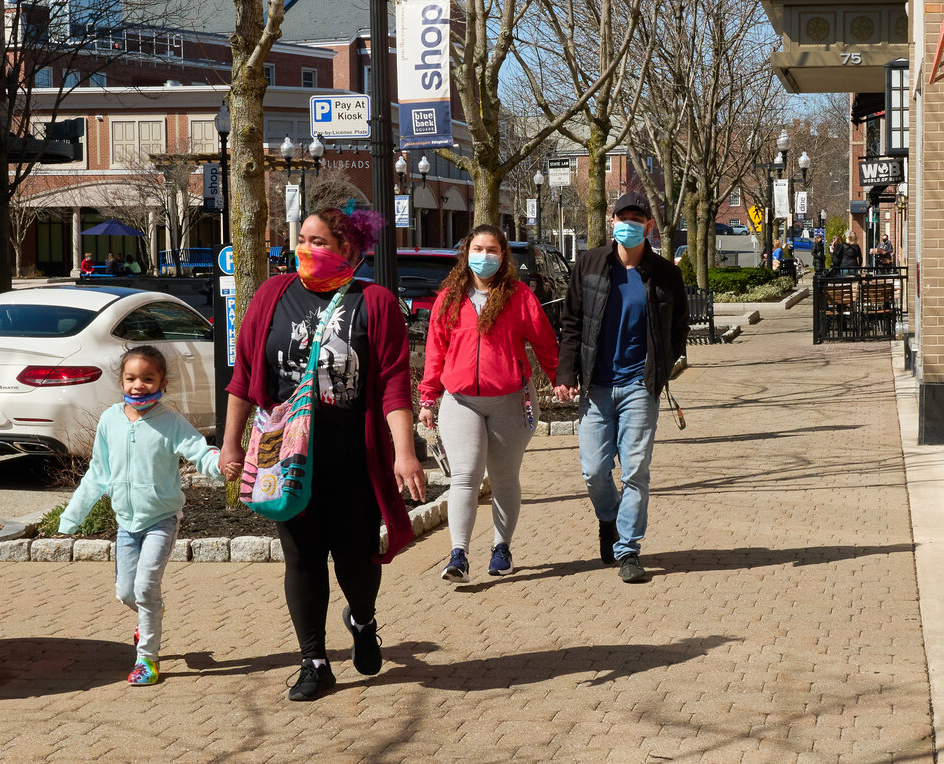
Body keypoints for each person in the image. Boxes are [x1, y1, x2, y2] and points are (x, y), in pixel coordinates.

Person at [220, 205, 424, 702]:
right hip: (286, 460)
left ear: (348, 249)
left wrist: (405, 452)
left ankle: (362, 618)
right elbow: (245, 376)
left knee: (357, 561)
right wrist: (230, 442)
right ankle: (314, 661)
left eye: (319, 242)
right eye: (303, 240)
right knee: (303, 559)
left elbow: (394, 385)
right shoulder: (272, 295)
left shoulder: (372, 303)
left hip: (351, 458)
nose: (306, 250)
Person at [57, 345, 223, 687]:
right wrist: (71, 518)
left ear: (163, 382)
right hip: (126, 524)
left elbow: (199, 452)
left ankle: (147, 658)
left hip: (161, 519)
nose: (139, 385)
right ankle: (150, 615)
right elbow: (97, 472)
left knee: (146, 589)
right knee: (127, 593)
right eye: (131, 378)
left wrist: (221, 466)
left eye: (148, 378)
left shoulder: (171, 423)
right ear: (121, 381)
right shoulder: (110, 421)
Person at [553, 194, 688, 584]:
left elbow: (678, 326)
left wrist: (664, 364)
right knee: (594, 470)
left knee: (635, 472)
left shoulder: (665, 274)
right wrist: (566, 373)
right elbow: (572, 322)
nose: (629, 223)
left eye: (637, 218)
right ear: (612, 222)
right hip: (597, 384)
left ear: (649, 226)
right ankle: (608, 519)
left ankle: (629, 549)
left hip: (638, 387)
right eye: (622, 217)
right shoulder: (590, 265)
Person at [418, 225, 560, 583]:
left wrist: (561, 380)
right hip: (460, 400)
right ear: (466, 253)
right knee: (464, 476)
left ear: (503, 255)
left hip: (511, 399)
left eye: (492, 249)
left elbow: (544, 342)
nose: (485, 256)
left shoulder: (519, 295)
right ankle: (459, 554)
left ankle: (501, 548)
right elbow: (435, 352)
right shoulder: (450, 298)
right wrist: (428, 398)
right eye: (478, 248)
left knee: (503, 476)